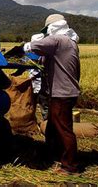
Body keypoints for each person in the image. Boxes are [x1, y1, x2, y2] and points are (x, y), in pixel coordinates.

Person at [5, 14, 80, 174]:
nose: (47, 33)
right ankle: (52, 154)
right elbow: (41, 62)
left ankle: (70, 166)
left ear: (54, 27)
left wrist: (18, 50)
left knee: (64, 129)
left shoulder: (59, 40)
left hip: (62, 93)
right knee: (53, 126)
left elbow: (32, 46)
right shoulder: (70, 43)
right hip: (64, 92)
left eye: (47, 30)